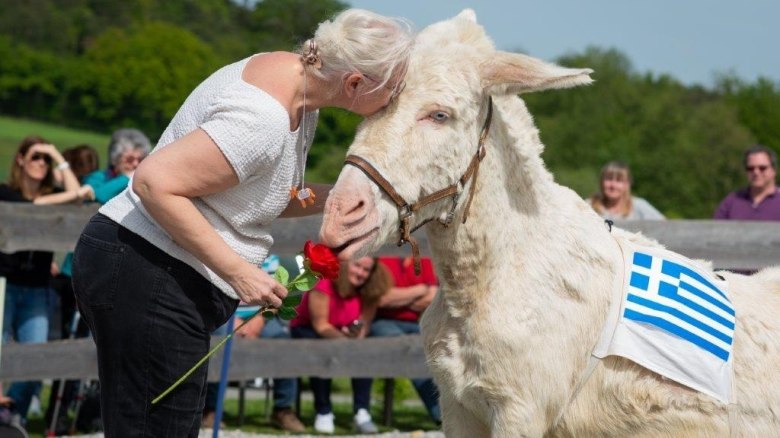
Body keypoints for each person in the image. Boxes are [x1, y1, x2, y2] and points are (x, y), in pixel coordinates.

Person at [70, 8, 413, 436]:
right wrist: (240, 273)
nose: (397, 97)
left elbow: (258, 190)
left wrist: (349, 197)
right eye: (395, 86)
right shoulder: (263, 119)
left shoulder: (297, 94)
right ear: (356, 83)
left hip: (157, 270)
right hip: (149, 271)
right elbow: (155, 183)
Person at [1, 136, 93, 426]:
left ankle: (14, 417)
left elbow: (77, 195)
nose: (41, 163)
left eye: (46, 160)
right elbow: (33, 204)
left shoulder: (54, 192)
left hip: (36, 288)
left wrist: (56, 153)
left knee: (36, 357)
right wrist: (58, 194)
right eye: (35, 157)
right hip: (5, 285)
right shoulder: (4, 192)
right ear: (20, 160)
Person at [201, 255, 304, 432]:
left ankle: (283, 409)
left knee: (282, 341)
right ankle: (211, 409)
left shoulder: (273, 258)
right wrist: (232, 320)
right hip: (226, 315)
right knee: (219, 342)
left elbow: (277, 294)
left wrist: (259, 319)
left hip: (262, 317)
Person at [290, 256, 391, 434]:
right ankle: (323, 411)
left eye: (366, 270)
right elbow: (321, 326)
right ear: (346, 265)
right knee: (322, 350)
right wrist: (343, 341)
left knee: (364, 351)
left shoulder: (369, 292)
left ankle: (362, 411)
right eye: (357, 266)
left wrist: (353, 338)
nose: (360, 273)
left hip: (343, 334)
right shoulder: (324, 285)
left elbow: (363, 328)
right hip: (311, 331)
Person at [45, 143, 101, 434]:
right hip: (65, 276)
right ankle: (55, 413)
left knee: (77, 344)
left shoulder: (96, 184)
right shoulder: (83, 187)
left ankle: (65, 412)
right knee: (61, 343)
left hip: (76, 276)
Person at [371, 255, 441, 425]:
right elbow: (380, 296)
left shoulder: (424, 259)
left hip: (414, 322)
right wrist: (420, 290)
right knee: (411, 353)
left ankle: (450, 416)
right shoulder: (385, 258)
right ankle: (440, 415)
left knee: (436, 355)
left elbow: (433, 296)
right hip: (382, 322)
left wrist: (401, 299)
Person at [82, 128, 151, 204]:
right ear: (115, 159)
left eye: (141, 160)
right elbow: (96, 197)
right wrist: (127, 178)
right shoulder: (96, 178)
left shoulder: (144, 184)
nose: (136, 164)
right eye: (129, 159)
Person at [714, 144, 780, 220]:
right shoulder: (732, 201)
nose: (756, 172)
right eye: (750, 168)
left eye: (762, 168)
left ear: (774, 171)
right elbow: (714, 230)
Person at [589, 161, 665, 220]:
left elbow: (666, 227)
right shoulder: (588, 205)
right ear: (601, 181)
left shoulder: (639, 206)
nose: (613, 185)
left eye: (619, 180)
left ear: (627, 184)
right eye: (609, 179)